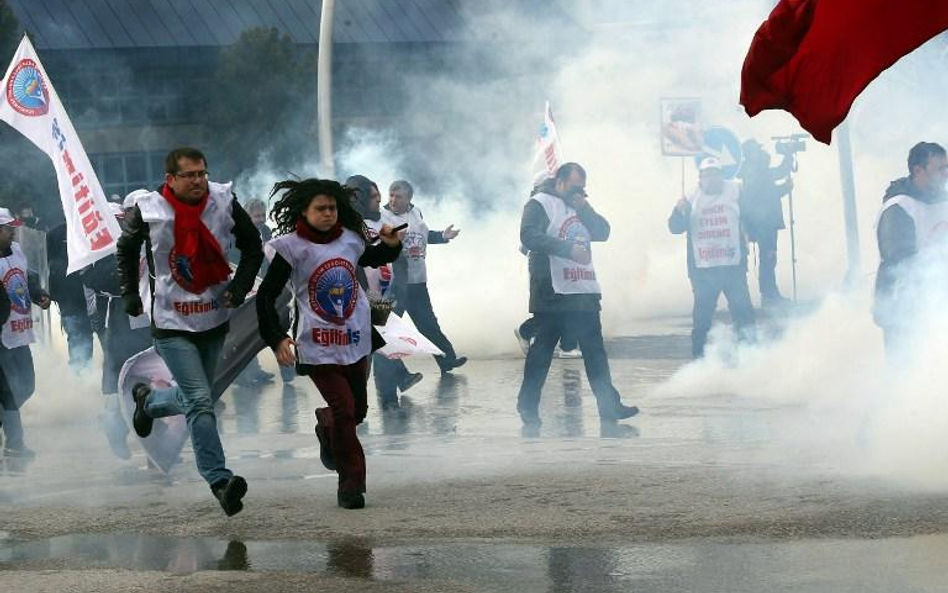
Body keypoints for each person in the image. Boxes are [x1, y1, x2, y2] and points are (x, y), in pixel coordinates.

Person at [117, 147, 263, 516]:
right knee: (200, 400)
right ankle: (220, 480)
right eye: (190, 175)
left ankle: (148, 403)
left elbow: (253, 247)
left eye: (202, 173)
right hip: (170, 322)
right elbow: (125, 247)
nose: (199, 181)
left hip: (213, 317)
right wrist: (130, 294)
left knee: (201, 396)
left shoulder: (223, 201)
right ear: (171, 180)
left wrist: (240, 286)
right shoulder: (148, 209)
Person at [256, 178, 402, 509]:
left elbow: (374, 256)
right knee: (345, 410)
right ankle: (351, 486)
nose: (328, 214)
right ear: (304, 212)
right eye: (320, 209)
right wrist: (277, 338)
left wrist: (392, 245)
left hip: (355, 337)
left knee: (356, 412)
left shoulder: (351, 240)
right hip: (317, 343)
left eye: (332, 208)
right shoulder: (289, 247)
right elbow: (266, 297)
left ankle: (326, 425)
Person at [516, 162, 638, 428]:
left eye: (582, 189)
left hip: (583, 290)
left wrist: (583, 206)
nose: (578, 193)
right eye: (574, 188)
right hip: (553, 291)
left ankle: (610, 405)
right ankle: (527, 405)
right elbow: (528, 236)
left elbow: (603, 232)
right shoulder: (539, 203)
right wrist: (567, 249)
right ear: (559, 181)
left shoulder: (579, 205)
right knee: (543, 352)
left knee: (595, 352)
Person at [80, 202, 153, 460]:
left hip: (148, 318)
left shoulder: (144, 238)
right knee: (120, 378)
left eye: (123, 219)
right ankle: (114, 428)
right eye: (118, 219)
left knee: (152, 374)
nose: (122, 224)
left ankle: (155, 437)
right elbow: (91, 279)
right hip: (119, 322)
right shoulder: (101, 253)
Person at [345, 175, 423, 413]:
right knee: (363, 356)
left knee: (384, 348)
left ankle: (388, 400)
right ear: (359, 199)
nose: (380, 200)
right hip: (358, 299)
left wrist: (399, 288)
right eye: (374, 196)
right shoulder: (348, 227)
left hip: (382, 298)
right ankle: (352, 405)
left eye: (380, 195)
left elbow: (397, 258)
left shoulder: (383, 224)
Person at [669, 157, 756, 358]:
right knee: (702, 319)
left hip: (732, 265)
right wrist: (678, 211)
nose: (711, 180)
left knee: (743, 313)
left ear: (722, 176)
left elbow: (751, 216)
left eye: (715, 175)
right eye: (707, 176)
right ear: (700, 178)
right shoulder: (691, 197)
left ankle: (750, 355)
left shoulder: (735, 191)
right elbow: (674, 228)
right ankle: (699, 359)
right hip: (703, 270)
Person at [381, 180, 467, 374]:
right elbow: (379, 244)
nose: (393, 200)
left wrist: (443, 236)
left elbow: (423, 235)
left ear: (409, 199)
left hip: (418, 281)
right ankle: (396, 375)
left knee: (428, 324)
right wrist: (395, 239)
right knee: (387, 329)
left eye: (398, 196)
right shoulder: (382, 216)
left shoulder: (416, 212)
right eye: (391, 195)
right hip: (394, 284)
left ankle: (447, 360)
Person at [874, 142, 948, 353]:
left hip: (937, 302)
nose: (946, 174)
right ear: (918, 170)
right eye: (940, 169)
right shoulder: (899, 207)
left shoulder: (944, 201)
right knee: (906, 370)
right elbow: (899, 263)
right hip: (903, 308)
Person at [0, 207, 51, 458]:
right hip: (1, 337)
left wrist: (39, 293)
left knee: (26, 386)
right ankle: (15, 445)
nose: (13, 232)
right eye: (8, 229)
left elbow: (26, 278)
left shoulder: (17, 251)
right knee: (7, 391)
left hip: (19, 334)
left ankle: (12, 438)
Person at [738, 140, 793, 306]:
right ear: (750, 153)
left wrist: (789, 156)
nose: (761, 154)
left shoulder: (753, 169)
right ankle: (769, 294)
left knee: (768, 257)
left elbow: (778, 173)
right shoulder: (752, 170)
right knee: (769, 257)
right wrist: (784, 188)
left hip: (762, 221)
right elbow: (765, 194)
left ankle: (769, 292)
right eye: (756, 151)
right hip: (763, 222)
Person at [231, 198, 276, 388]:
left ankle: (255, 369)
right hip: (243, 287)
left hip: (261, 286)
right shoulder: (237, 232)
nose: (260, 219)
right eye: (256, 216)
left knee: (257, 329)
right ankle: (242, 374)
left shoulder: (266, 231)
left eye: (262, 215)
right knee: (242, 331)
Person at [47, 220, 96, 372]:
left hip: (92, 297)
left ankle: (90, 377)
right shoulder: (55, 234)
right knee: (76, 338)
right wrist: (57, 296)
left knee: (89, 336)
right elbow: (52, 266)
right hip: (68, 298)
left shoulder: (92, 230)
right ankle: (79, 380)